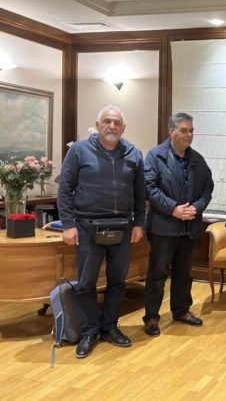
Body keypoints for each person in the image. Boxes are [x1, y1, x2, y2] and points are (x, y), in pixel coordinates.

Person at [58, 105, 145, 359]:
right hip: (86, 228)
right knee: (86, 283)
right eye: (107, 121)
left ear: (123, 128)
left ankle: (109, 327)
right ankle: (89, 331)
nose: (112, 126)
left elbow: (140, 194)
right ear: (97, 125)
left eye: (116, 122)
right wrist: (68, 225)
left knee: (118, 282)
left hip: (123, 228)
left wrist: (139, 223)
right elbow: (65, 190)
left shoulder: (134, 154)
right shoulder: (78, 151)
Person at [142, 112, 214, 336]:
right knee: (157, 275)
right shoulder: (155, 156)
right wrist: (173, 208)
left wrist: (197, 207)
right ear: (171, 131)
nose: (188, 135)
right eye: (183, 130)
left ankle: (181, 310)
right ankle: (151, 317)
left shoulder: (198, 160)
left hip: (189, 228)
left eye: (191, 130)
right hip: (163, 227)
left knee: (184, 273)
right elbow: (149, 188)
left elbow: (208, 188)